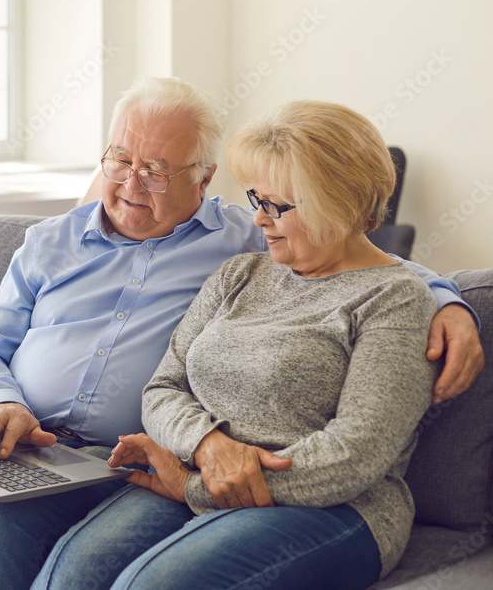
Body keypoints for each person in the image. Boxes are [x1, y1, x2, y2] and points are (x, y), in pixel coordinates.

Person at [0, 79, 483, 589]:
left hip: (121, 459)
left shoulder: (240, 239)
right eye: (120, 158)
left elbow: (369, 265)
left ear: (202, 181)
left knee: (11, 534)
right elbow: (3, 347)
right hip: (19, 433)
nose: (129, 181)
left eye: (156, 168)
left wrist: (449, 298)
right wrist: (3, 401)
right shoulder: (72, 245)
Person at [32, 100, 446, 589]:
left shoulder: (394, 300)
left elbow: (354, 457)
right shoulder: (239, 274)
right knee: (74, 575)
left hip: (335, 509)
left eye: (276, 206)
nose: (259, 219)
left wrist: (196, 486)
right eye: (255, 199)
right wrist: (206, 444)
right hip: (195, 470)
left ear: (341, 204)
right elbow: (162, 388)